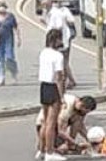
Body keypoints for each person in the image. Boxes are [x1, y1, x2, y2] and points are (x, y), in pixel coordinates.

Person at [37, 28, 68, 161]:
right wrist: (61, 96)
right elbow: (59, 77)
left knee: (45, 120)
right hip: (53, 87)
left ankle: (41, 149)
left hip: (43, 86)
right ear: (55, 40)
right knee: (51, 122)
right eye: (60, 39)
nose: (61, 41)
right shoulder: (58, 56)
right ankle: (50, 152)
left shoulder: (43, 53)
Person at [45, 0, 78, 90]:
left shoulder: (57, 12)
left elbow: (58, 26)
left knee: (62, 61)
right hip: (61, 39)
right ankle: (70, 80)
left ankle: (67, 80)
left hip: (59, 40)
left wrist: (55, 38)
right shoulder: (57, 11)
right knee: (64, 61)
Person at [0, 0, 22, 86]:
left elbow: (16, 27)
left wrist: (19, 38)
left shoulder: (10, 16)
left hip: (8, 40)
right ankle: (1, 78)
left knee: (9, 58)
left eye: (2, 5)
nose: (1, 7)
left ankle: (14, 74)